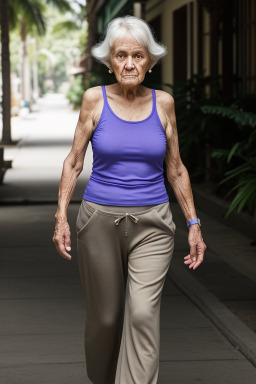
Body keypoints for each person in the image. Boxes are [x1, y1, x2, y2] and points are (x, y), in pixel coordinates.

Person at [53, 15, 207, 384]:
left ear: (150, 62)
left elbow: (176, 169)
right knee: (106, 319)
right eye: (121, 55)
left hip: (153, 223)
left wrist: (194, 224)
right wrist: (60, 217)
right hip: (98, 222)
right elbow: (74, 161)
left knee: (141, 315)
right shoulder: (94, 100)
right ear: (109, 60)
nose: (129, 64)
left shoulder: (164, 104)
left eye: (138, 56)